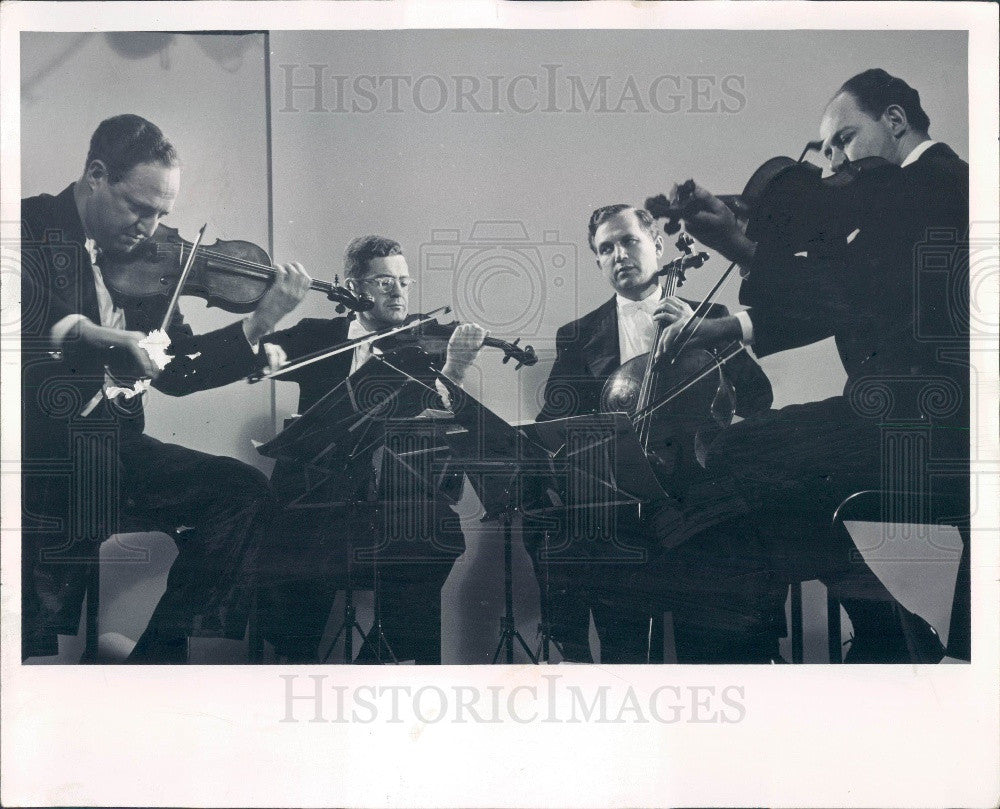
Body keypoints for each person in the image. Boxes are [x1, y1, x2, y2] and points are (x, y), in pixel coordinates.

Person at [658, 69, 968, 662]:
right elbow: (843, 296)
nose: (831, 164)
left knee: (729, 462)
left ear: (895, 121)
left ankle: (746, 663)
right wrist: (738, 255)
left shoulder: (945, 184)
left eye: (843, 140)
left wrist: (747, 241)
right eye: (824, 151)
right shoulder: (885, 209)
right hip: (889, 421)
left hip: (930, 425)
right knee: (766, 492)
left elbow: (838, 280)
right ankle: (882, 637)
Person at [21, 114, 311, 662]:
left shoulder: (153, 264)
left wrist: (260, 322)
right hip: (41, 453)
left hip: (118, 449)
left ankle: (152, 662)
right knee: (31, 612)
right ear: (97, 175)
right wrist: (109, 347)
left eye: (162, 215)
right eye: (139, 208)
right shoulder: (29, 228)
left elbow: (179, 372)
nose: (149, 229)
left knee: (243, 492)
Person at [533, 203, 780, 663]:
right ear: (598, 261)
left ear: (658, 246)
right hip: (621, 509)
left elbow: (756, 401)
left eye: (629, 241)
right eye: (606, 248)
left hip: (699, 500)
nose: (619, 255)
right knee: (623, 654)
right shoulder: (578, 335)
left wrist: (705, 332)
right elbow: (554, 422)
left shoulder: (712, 313)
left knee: (710, 650)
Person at [259, 235, 487, 663]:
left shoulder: (421, 348)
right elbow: (262, 354)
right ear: (354, 288)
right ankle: (296, 666)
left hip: (391, 502)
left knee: (438, 536)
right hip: (320, 501)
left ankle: (379, 664)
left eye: (405, 281)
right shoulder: (318, 336)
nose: (399, 292)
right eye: (385, 282)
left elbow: (438, 424)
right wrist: (267, 349)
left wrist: (454, 368)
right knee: (293, 568)